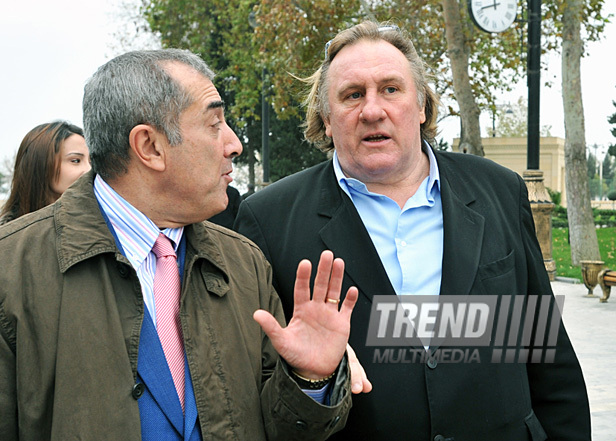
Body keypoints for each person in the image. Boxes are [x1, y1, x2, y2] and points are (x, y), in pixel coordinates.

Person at [234, 21, 591, 440]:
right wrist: (311, 380)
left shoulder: (499, 190)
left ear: (421, 107)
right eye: (352, 95)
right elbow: (253, 392)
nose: (372, 110)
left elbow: (547, 357)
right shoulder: (268, 219)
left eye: (390, 89)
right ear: (326, 120)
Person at [0, 49, 359, 441]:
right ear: (150, 147)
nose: (234, 144)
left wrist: (309, 379)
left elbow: (280, 429)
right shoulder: (12, 270)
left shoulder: (244, 263)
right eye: (213, 123)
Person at [0, 121, 90, 225]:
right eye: (75, 160)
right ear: (42, 163)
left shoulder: (98, 226)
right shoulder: (8, 237)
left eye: (91, 161)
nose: (89, 169)